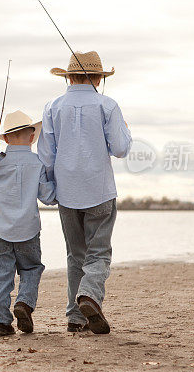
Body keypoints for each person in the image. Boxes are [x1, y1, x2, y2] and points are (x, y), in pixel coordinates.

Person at [38, 51, 131, 334]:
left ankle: (76, 319)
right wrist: (125, 131)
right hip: (100, 189)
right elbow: (121, 148)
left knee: (75, 255)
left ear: (68, 76)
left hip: (66, 191)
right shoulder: (107, 105)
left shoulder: (53, 107)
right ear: (98, 78)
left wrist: (48, 190)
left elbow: (45, 155)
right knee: (99, 253)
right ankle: (89, 294)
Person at [0, 110, 56, 336]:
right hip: (29, 230)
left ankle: (1, 322)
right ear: (32, 137)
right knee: (32, 269)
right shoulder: (37, 163)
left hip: (0, 231)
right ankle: (23, 302)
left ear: (4, 139)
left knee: (0, 275)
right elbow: (49, 197)